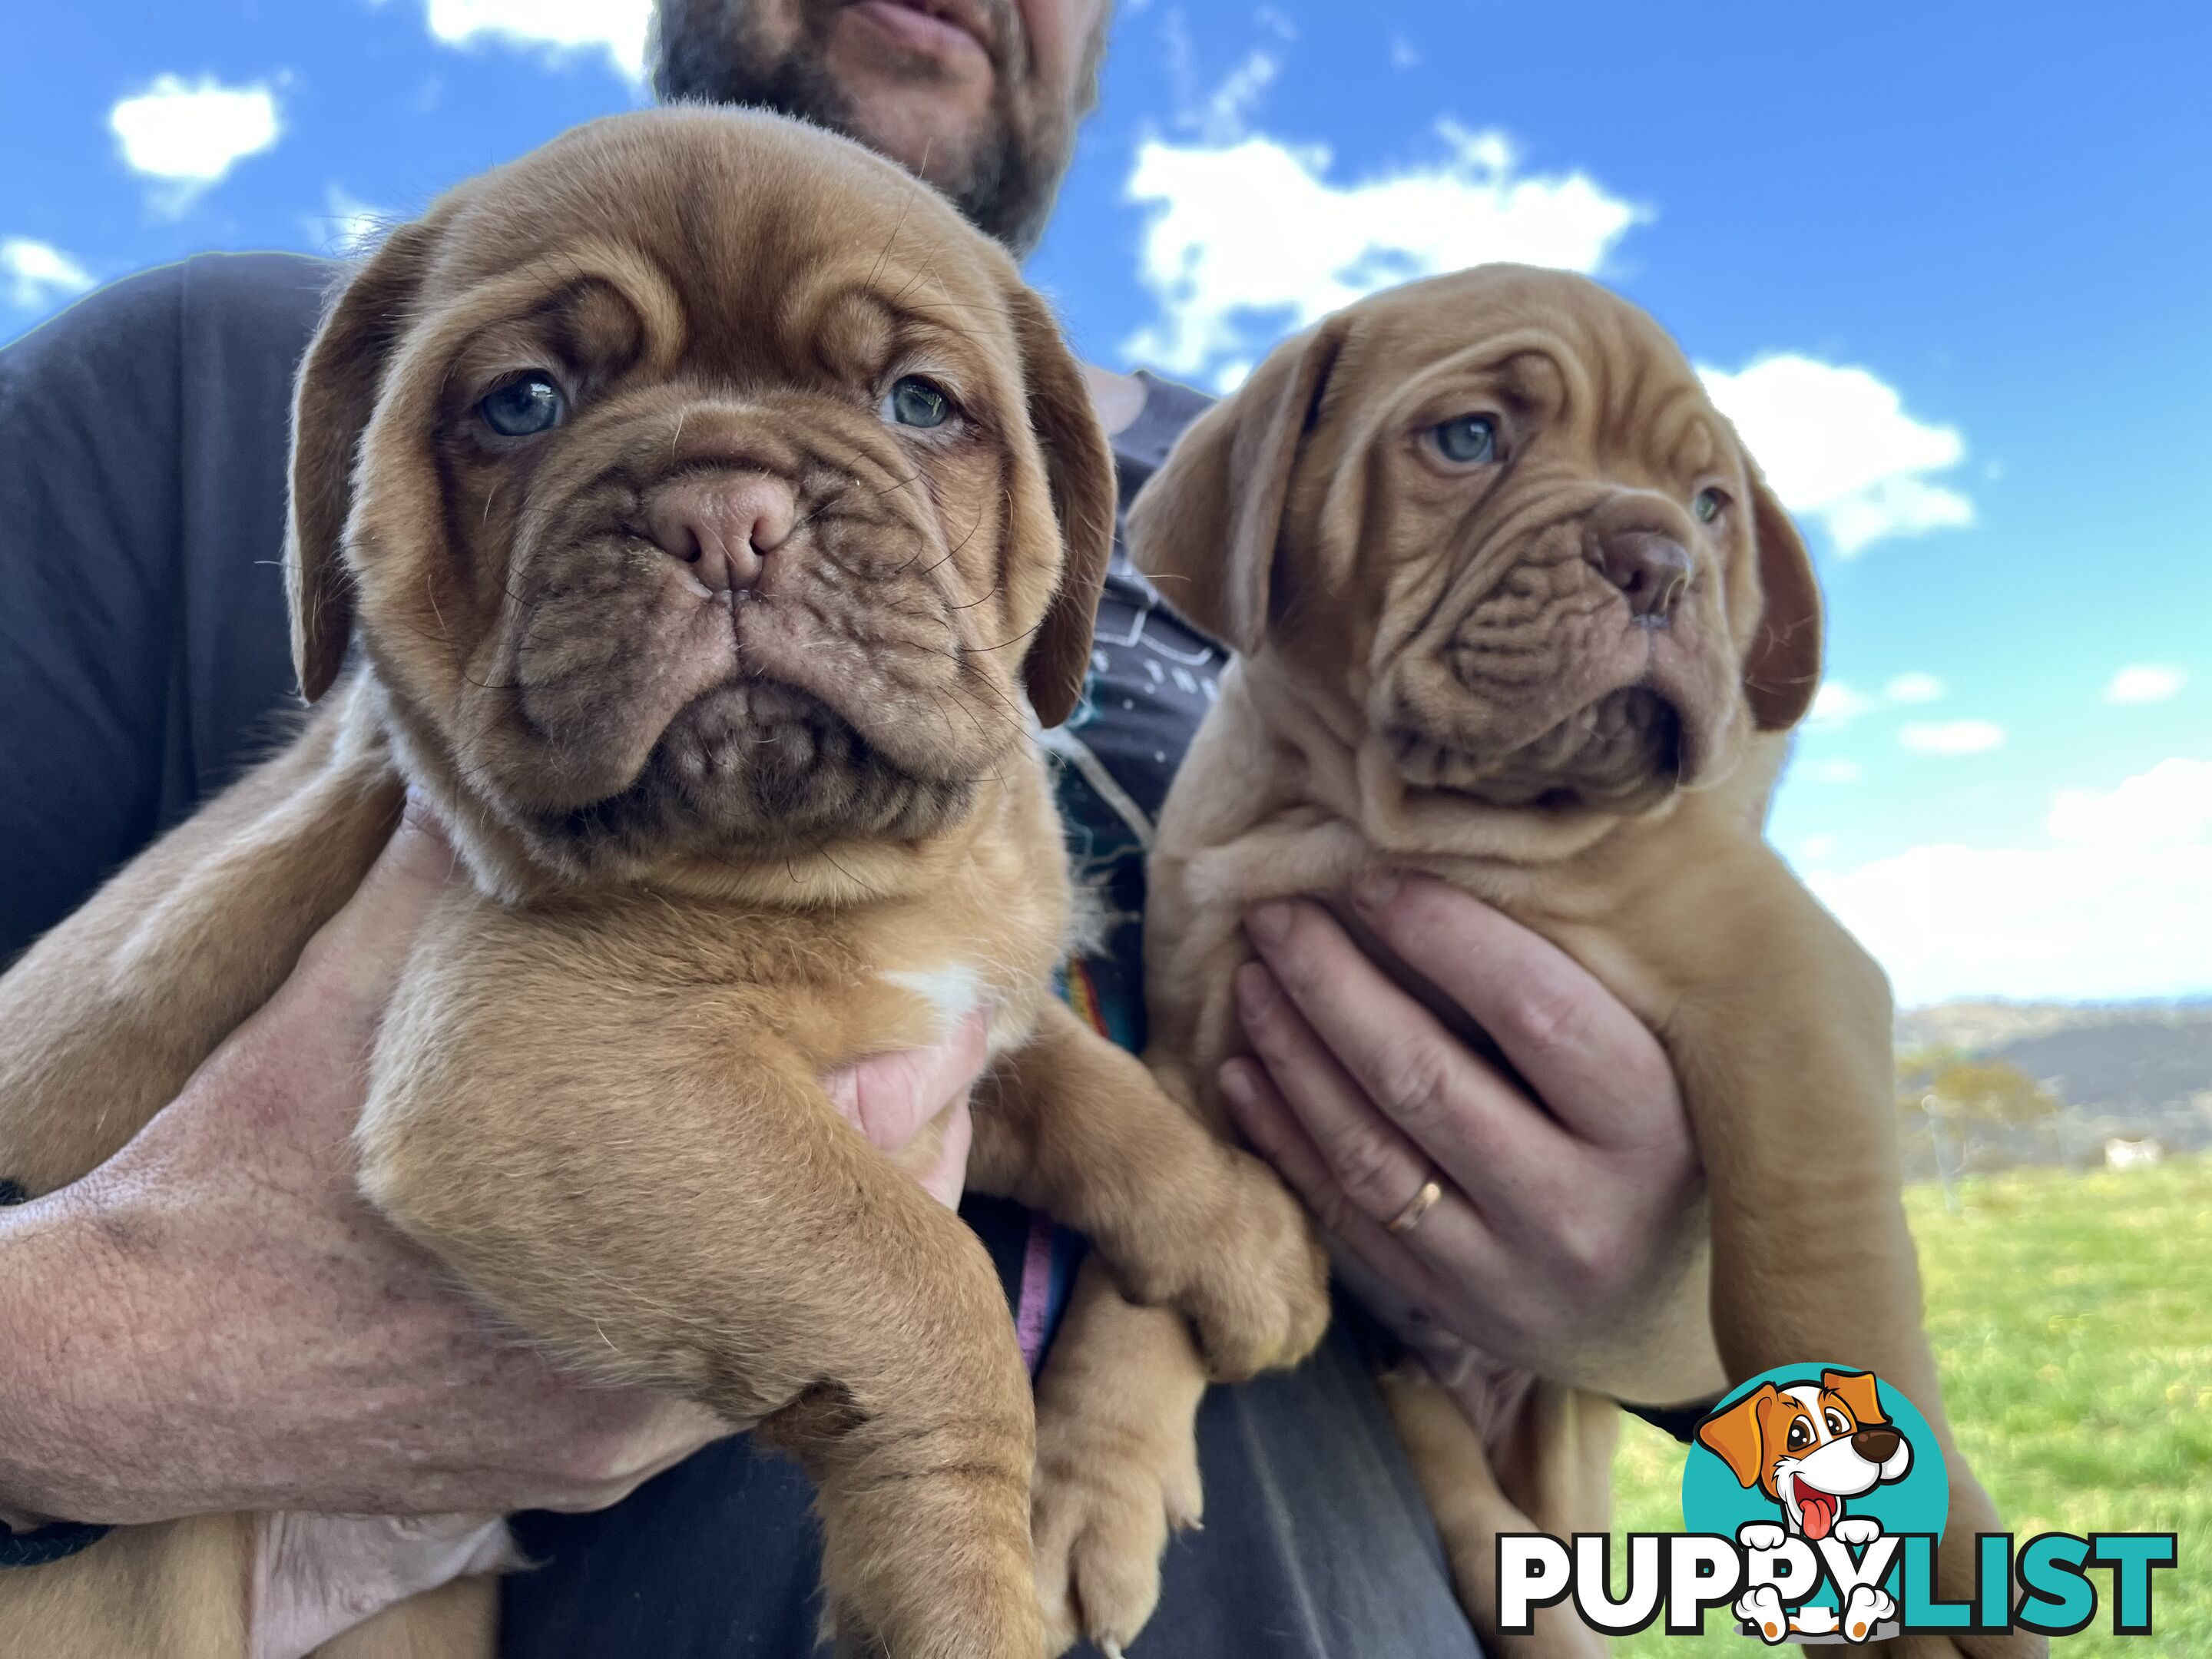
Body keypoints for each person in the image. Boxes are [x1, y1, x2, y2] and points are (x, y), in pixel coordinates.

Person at [0, 0, 1720, 1650]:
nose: (737, 518)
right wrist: (82, 1366)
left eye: (916, 407)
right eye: (530, 402)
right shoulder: (223, 377)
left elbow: (1825, 1289)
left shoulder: (1329, 536)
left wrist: (1685, 1337)